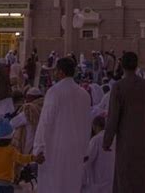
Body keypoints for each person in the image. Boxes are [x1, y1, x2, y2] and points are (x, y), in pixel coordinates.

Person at [34, 57, 90, 193]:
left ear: (60, 72)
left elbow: (45, 122)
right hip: (76, 150)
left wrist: (38, 148)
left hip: (55, 149)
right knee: (71, 185)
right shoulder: (84, 94)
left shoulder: (54, 92)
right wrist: (85, 149)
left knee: (53, 185)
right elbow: (87, 124)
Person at [103, 51, 145, 193]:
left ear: (122, 65)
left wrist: (107, 141)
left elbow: (113, 117)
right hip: (144, 141)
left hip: (126, 141)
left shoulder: (119, 87)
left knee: (126, 178)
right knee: (142, 178)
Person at [0, 118, 43, 193]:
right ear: (10, 138)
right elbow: (21, 158)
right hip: (6, 184)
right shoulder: (11, 151)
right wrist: (34, 158)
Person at [82, 115, 115, 193]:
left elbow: (87, 160)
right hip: (111, 183)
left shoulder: (96, 140)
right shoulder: (114, 139)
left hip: (98, 184)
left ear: (94, 126)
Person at [10, 87, 44, 154]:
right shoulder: (44, 106)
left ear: (33, 97)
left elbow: (13, 123)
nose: (26, 100)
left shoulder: (30, 108)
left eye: (28, 97)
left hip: (28, 141)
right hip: (40, 141)